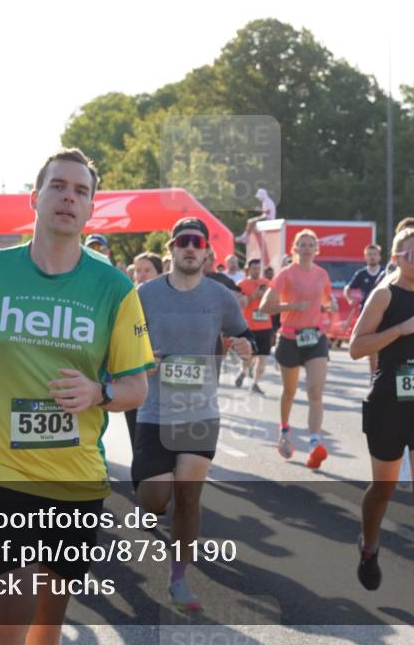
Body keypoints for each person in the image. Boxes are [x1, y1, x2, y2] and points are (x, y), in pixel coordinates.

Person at [0, 148, 153, 645]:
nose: (69, 197)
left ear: (91, 209)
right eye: (58, 186)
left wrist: (99, 391)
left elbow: (137, 386)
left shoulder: (114, 289)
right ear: (35, 198)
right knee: (12, 610)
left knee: (46, 625)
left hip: (74, 481)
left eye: (81, 191)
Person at [134, 217, 255, 613]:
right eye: (183, 241)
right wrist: (140, 360)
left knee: (189, 499)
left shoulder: (220, 297)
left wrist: (243, 345)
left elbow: (245, 333)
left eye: (197, 242)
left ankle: (179, 578)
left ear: (206, 252)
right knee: (154, 499)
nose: (190, 248)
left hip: (200, 411)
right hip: (153, 410)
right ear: (171, 248)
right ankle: (153, 506)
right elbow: (121, 344)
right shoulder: (144, 294)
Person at [349, 227, 414, 623]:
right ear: (395, 258)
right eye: (413, 254)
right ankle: (369, 545)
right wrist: (398, 330)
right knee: (384, 488)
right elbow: (357, 346)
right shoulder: (384, 295)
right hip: (389, 405)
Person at [259, 229, 337, 467]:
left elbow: (326, 300)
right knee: (290, 392)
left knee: (315, 390)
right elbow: (265, 307)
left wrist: (331, 304)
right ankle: (284, 431)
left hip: (315, 337)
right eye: (301, 245)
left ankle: (314, 443)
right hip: (290, 338)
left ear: (316, 249)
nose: (306, 248)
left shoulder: (322, 274)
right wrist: (292, 305)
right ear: (294, 249)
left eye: (310, 245)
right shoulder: (286, 274)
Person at [126, 251, 164, 443]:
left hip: (165, 384)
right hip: (134, 378)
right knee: (138, 441)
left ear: (160, 273)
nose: (141, 275)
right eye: (138, 270)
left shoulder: (171, 302)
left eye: (147, 270)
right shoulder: (127, 299)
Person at [344, 243, 387, 376]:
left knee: (385, 344)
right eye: (369, 254)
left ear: (379, 257)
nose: (372, 257)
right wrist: (349, 298)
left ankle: (383, 373)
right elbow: (348, 288)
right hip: (367, 315)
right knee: (372, 348)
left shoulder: (385, 272)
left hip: (385, 313)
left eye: (374, 254)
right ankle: (374, 377)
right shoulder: (361, 274)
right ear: (365, 257)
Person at [236, 258, 273, 394]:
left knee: (263, 358)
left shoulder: (267, 283)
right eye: (254, 269)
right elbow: (241, 304)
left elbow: (274, 301)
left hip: (265, 326)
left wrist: (265, 298)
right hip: (249, 326)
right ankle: (243, 372)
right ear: (248, 269)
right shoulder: (242, 284)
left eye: (259, 269)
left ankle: (255, 383)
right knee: (249, 356)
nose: (257, 271)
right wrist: (254, 296)